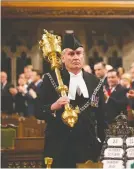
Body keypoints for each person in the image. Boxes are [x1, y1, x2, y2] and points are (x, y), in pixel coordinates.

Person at [35, 33, 106, 168]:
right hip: (59, 144)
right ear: (62, 58)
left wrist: (103, 143)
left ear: (83, 56)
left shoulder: (94, 82)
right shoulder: (51, 79)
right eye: (71, 54)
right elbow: (37, 110)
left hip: (87, 144)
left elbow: (101, 117)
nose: (75, 57)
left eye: (79, 53)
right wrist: (53, 106)